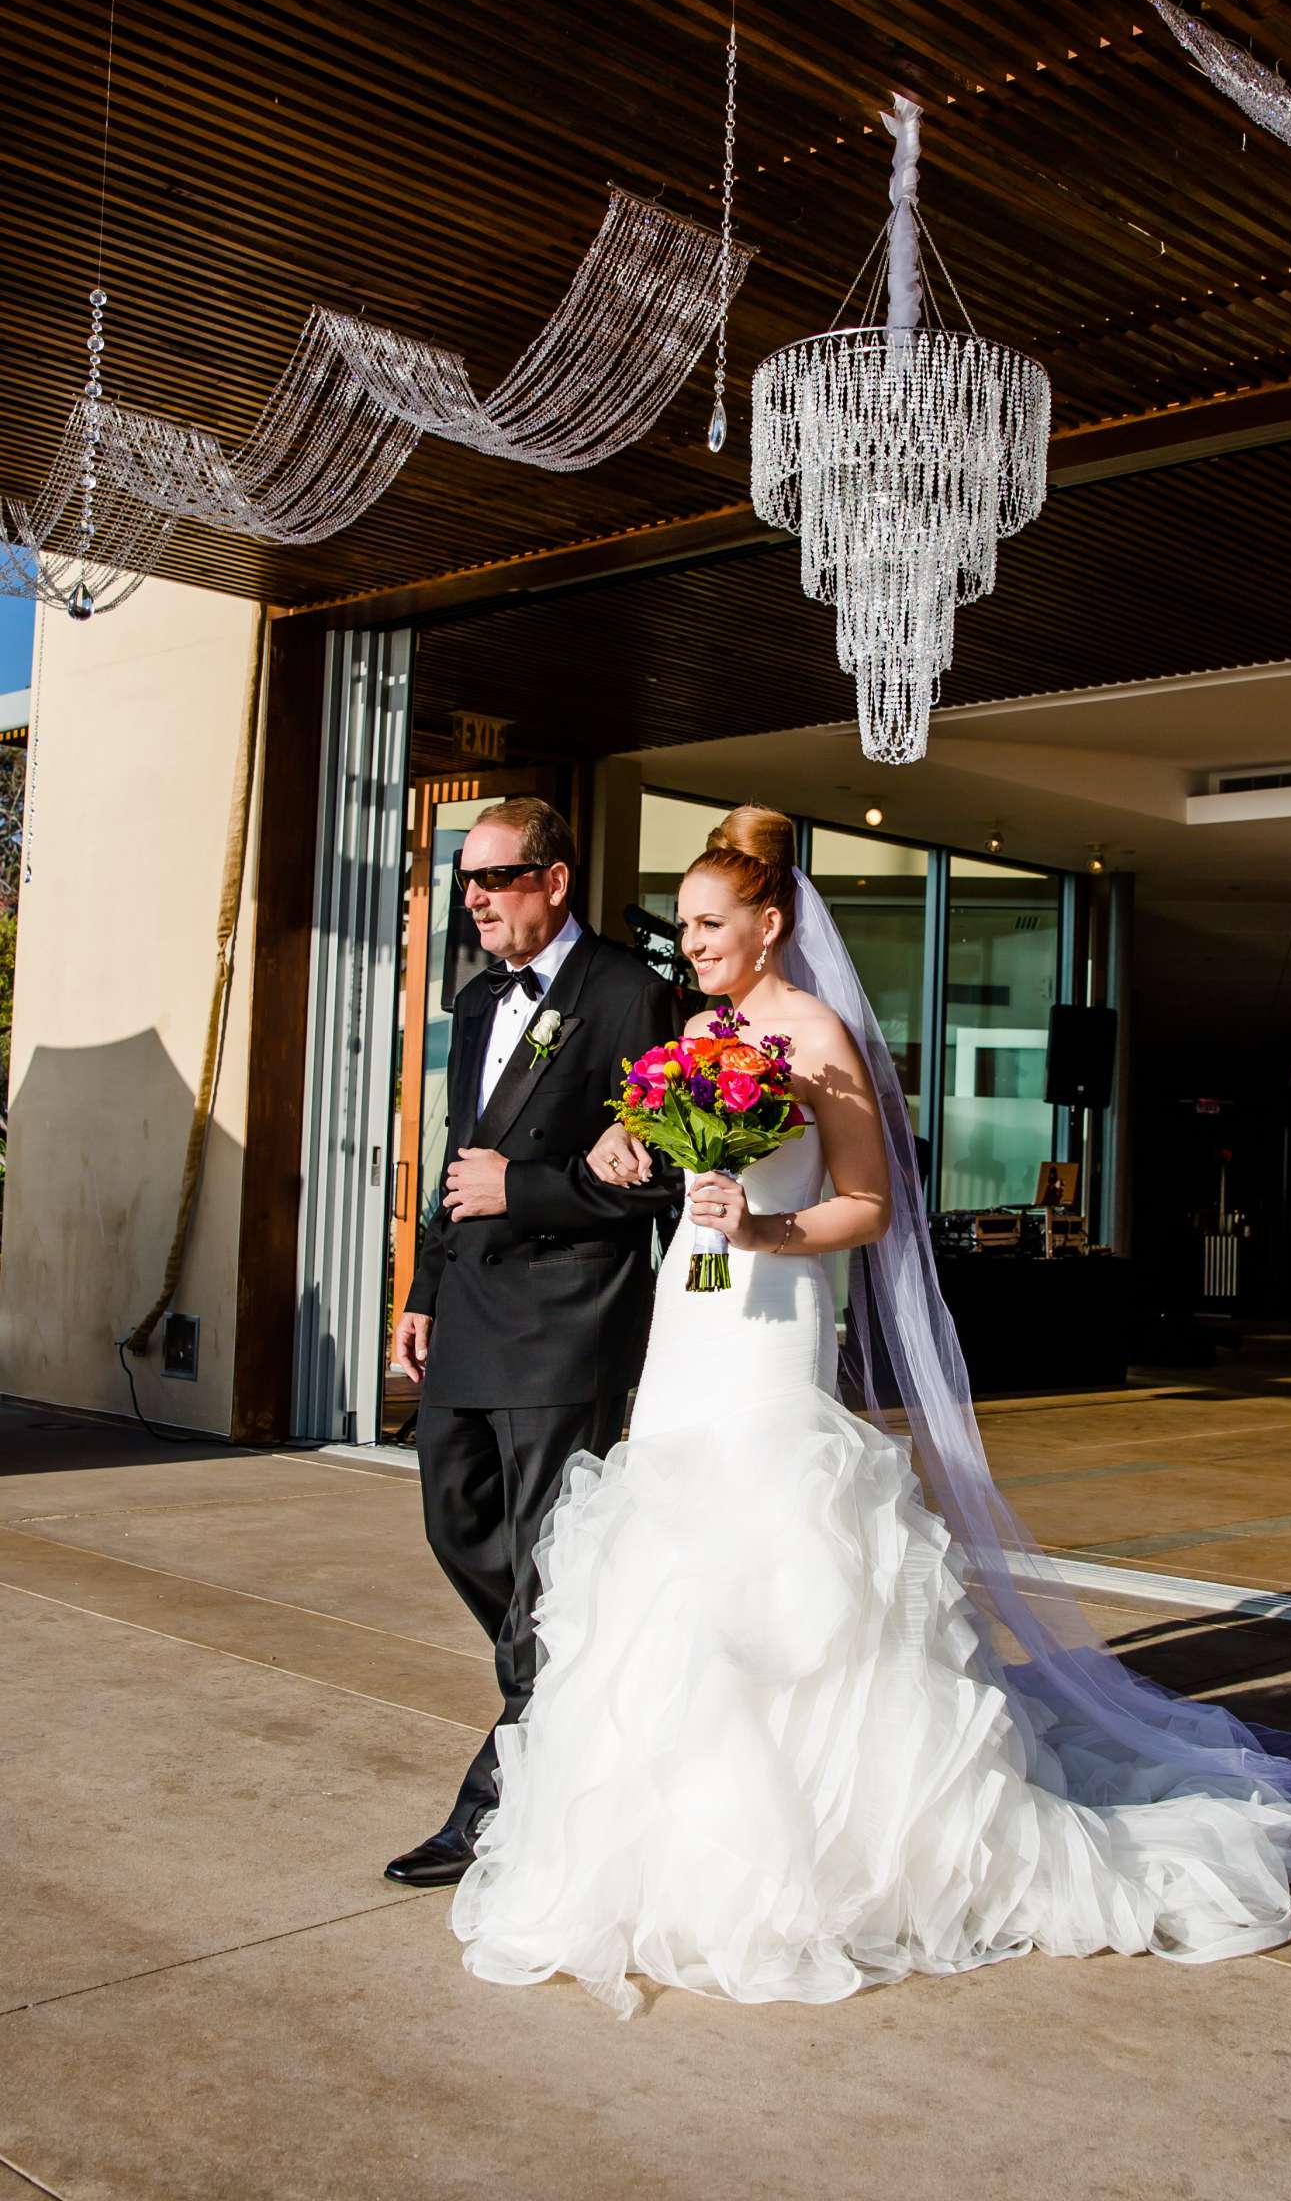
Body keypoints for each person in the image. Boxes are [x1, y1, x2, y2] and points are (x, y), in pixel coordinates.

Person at [450, 806, 1291, 2011]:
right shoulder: (697, 1029)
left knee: (778, 1546)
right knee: (669, 1551)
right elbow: (653, 1160)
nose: (688, 945)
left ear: (770, 921)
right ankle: (668, 1841)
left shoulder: (820, 1038)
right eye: (684, 924)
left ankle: (832, 1850)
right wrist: (629, 1162)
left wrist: (762, 1226)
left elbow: (871, 1205)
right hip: (690, 1314)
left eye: (708, 923)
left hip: (774, 1314)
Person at [384, 796, 679, 1888]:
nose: (473, 899)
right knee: (458, 1524)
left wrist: (530, 1188)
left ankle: (498, 1806)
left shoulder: (633, 995)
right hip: (466, 1311)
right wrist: (419, 1286)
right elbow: (459, 1155)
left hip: (567, 1321)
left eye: (495, 879)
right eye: (467, 881)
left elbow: (665, 1185)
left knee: (550, 1563)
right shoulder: (473, 1002)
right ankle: (591, 1683)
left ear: (553, 881)